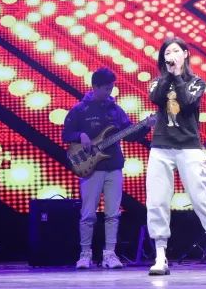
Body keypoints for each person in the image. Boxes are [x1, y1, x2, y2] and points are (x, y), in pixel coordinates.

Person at [145, 36, 206, 275]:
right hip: (161, 147)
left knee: (201, 199)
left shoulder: (196, 82)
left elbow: (186, 102)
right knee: (157, 201)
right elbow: (155, 98)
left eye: (175, 51)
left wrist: (177, 76)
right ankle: (160, 257)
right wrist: (169, 76)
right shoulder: (157, 83)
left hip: (189, 147)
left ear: (185, 54)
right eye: (167, 53)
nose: (171, 56)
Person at [62, 67, 150, 270]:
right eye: (106, 88)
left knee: (113, 213)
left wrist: (146, 126)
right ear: (95, 86)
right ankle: (85, 254)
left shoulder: (116, 111)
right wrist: (80, 135)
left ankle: (110, 254)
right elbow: (66, 134)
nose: (110, 92)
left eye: (111, 88)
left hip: (114, 166)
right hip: (90, 168)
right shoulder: (80, 110)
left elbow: (130, 134)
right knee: (88, 214)